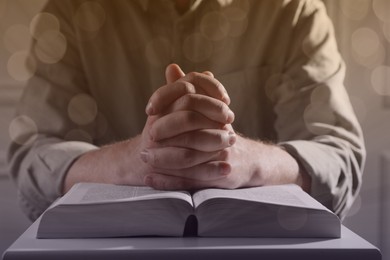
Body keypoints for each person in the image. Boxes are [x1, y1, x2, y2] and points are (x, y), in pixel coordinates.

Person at [8, 0, 365, 221]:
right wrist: (133, 159)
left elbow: (339, 154)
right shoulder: (71, 10)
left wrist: (243, 159)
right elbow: (34, 156)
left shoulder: (294, 10)